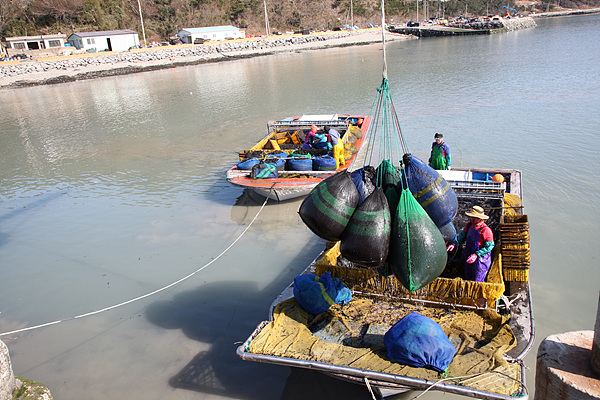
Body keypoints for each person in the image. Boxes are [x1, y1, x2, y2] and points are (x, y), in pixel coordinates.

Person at [447, 206, 494, 282]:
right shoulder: (469, 225)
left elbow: (490, 246)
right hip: (469, 254)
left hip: (481, 259)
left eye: (473, 217)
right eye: (471, 217)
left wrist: (476, 255)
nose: (471, 219)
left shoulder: (486, 230)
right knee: (468, 276)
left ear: (480, 219)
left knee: (477, 279)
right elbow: (462, 237)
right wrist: (454, 244)